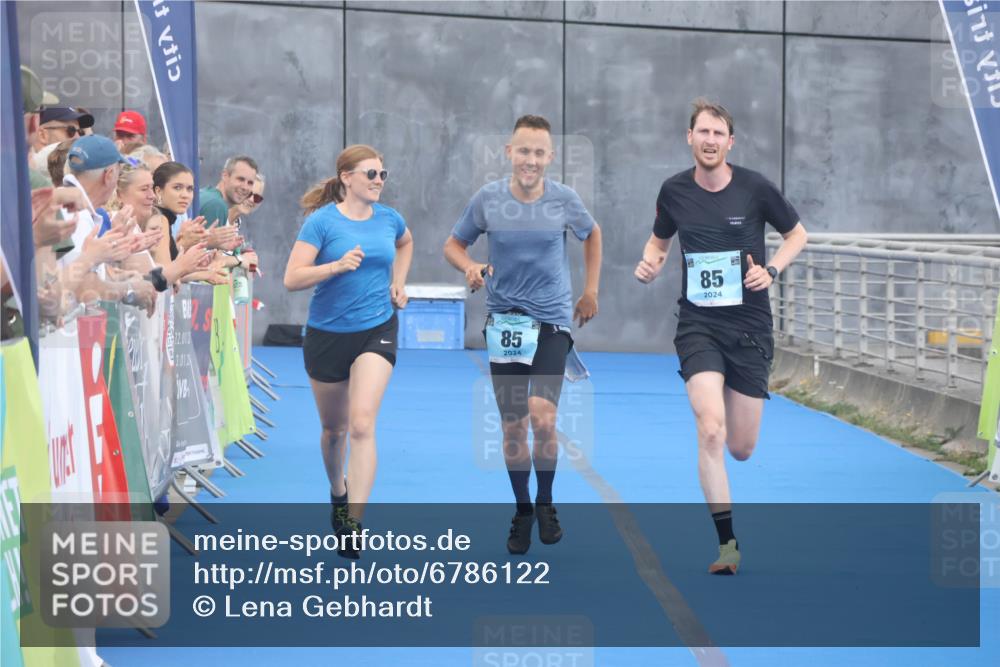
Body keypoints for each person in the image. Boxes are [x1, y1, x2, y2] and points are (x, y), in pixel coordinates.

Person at [634, 98, 808, 575]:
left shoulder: (755, 188)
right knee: (710, 428)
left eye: (718, 134)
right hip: (699, 325)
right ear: (689, 137)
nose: (709, 140)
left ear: (730, 143)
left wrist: (771, 270)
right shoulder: (673, 191)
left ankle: (733, 417)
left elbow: (797, 235)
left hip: (750, 327)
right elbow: (658, 241)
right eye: (702, 132)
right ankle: (727, 545)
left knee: (741, 448)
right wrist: (651, 263)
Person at [443, 114, 602, 555]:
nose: (530, 160)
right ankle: (524, 509)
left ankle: (546, 501)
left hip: (551, 323)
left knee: (542, 417)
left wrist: (590, 291)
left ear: (550, 157)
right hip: (506, 324)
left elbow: (592, 234)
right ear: (509, 152)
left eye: (539, 152)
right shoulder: (488, 199)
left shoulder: (564, 200)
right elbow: (453, 244)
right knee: (513, 427)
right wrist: (470, 266)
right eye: (523, 151)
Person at [283, 145, 413, 559]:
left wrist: (398, 282)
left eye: (382, 174)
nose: (378, 181)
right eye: (370, 174)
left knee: (361, 424)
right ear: (346, 177)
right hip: (328, 335)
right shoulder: (322, 223)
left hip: (377, 329)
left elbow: (406, 243)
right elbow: (292, 279)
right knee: (334, 430)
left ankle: (353, 521)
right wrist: (335, 266)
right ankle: (338, 492)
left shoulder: (389, 219)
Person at [199, 155, 258, 227]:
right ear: (225, 175)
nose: (245, 187)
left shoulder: (207, 194)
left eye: (250, 183)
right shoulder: (216, 205)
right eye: (240, 179)